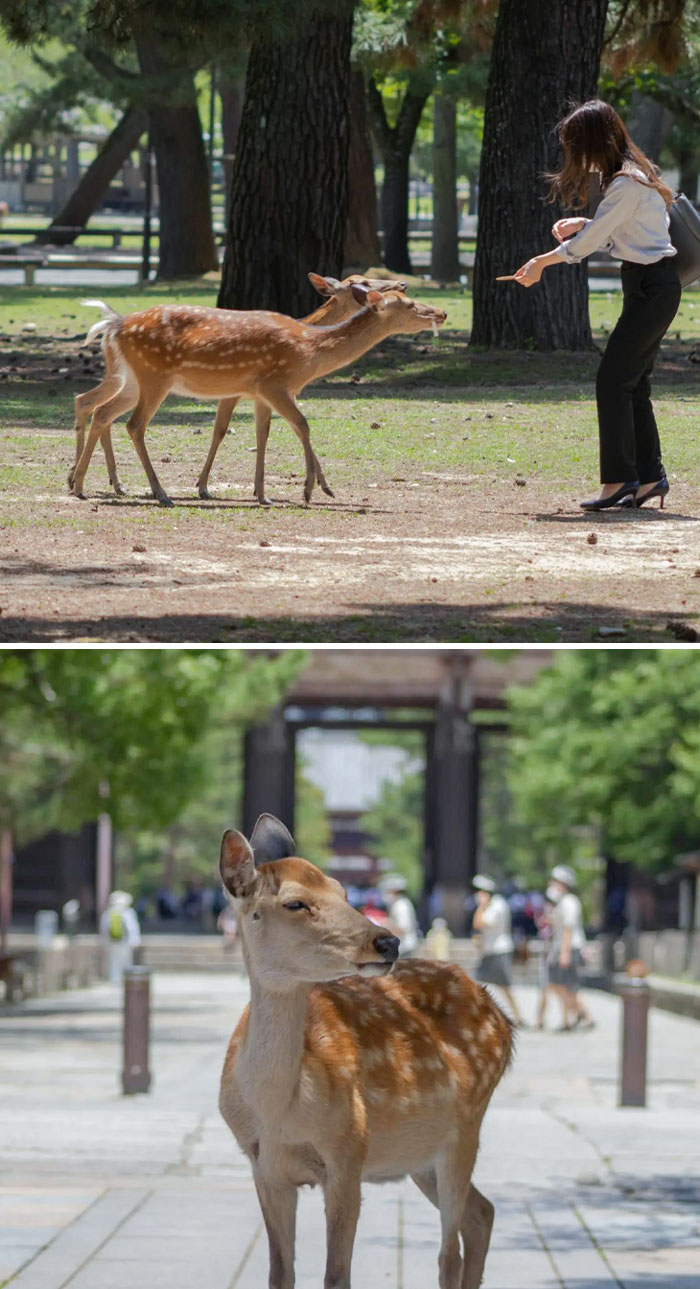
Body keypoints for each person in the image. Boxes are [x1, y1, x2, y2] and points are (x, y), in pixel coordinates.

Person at [512, 99, 681, 512]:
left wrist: (542, 262)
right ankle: (648, 479)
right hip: (651, 285)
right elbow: (622, 234)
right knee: (632, 383)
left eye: (577, 145)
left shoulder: (626, 182)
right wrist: (586, 224)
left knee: (612, 380)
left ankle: (621, 480)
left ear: (595, 141)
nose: (575, 155)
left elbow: (590, 246)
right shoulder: (630, 177)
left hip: (652, 288)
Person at [546, 866, 594, 1031]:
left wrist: (564, 953)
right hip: (562, 947)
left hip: (570, 948)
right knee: (561, 985)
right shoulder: (561, 902)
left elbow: (568, 928)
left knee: (565, 986)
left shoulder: (570, 901)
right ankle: (573, 1016)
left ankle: (582, 1014)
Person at [471, 875, 523, 1026]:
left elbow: (479, 923)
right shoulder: (492, 905)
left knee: (505, 986)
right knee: (477, 983)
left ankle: (518, 1016)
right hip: (490, 951)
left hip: (499, 951)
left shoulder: (497, 905)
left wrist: (481, 906)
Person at [99, 890, 141, 984]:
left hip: (112, 941)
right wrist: (135, 940)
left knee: (113, 961)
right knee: (126, 960)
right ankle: (125, 979)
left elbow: (104, 928)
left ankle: (115, 979)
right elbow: (132, 927)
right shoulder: (128, 912)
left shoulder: (109, 912)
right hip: (125, 941)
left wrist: (104, 940)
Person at [379, 874, 418, 957]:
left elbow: (403, 929)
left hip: (405, 950)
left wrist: (384, 926)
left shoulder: (401, 906)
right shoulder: (398, 904)